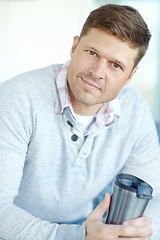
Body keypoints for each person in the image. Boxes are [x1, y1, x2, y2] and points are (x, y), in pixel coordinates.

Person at [0, 3, 160, 240]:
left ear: (130, 76)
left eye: (115, 65)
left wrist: (137, 233)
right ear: (74, 46)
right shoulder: (17, 98)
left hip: (84, 222)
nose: (97, 72)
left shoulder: (135, 111)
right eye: (92, 53)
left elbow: (154, 197)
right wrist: (78, 236)